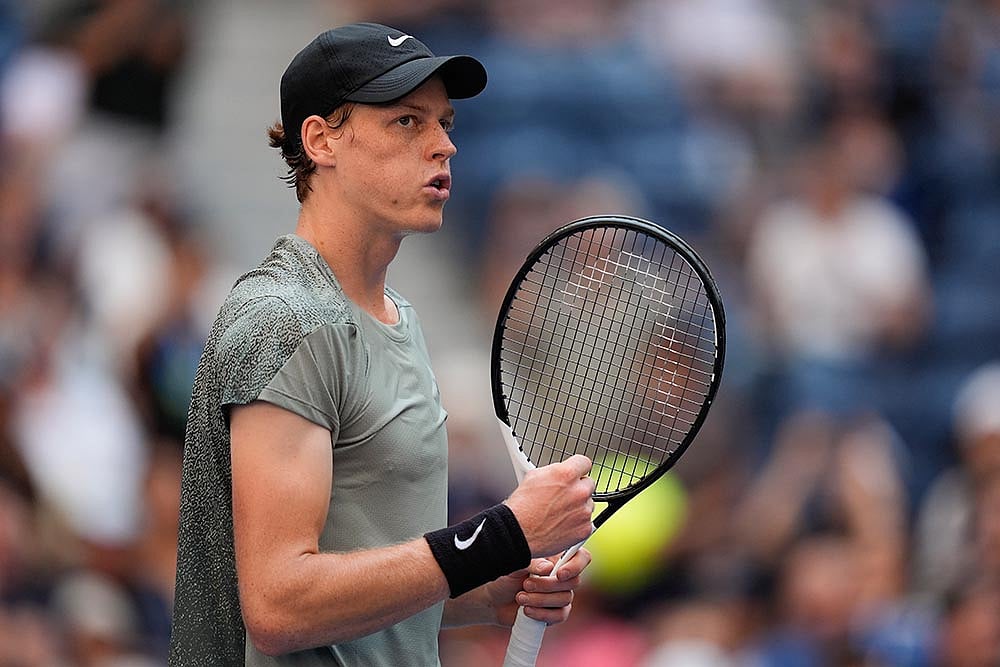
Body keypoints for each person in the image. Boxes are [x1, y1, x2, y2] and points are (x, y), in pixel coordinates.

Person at [167, 22, 596, 666]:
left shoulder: (402, 318)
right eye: (406, 122)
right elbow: (281, 607)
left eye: (445, 122)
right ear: (320, 140)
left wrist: (484, 589)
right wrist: (499, 534)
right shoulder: (284, 319)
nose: (444, 145)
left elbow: (362, 576)